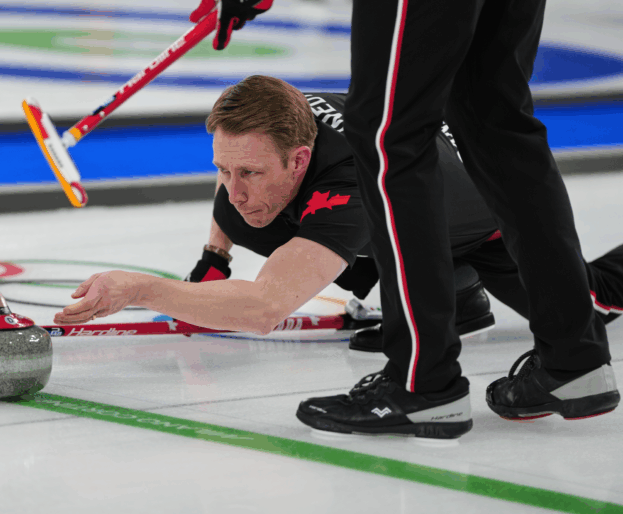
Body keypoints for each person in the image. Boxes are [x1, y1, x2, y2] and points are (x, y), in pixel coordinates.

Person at [55, 76, 622, 437]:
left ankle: (460, 286)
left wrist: (142, 288)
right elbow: (240, 175)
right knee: (255, 212)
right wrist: (215, 255)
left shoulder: (349, 186)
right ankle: (455, 295)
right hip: (415, 218)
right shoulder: (281, 119)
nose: (233, 187)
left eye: (248, 172)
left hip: (492, 220)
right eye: (222, 170)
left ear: (301, 160)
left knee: (588, 301)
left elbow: (262, 307)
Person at [188, 0, 619, 437]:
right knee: (493, 118)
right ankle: (573, 356)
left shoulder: (334, 171)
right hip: (469, 218)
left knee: (388, 136)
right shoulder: (288, 136)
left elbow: (264, 305)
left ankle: (423, 381)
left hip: (482, 228)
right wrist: (216, 252)